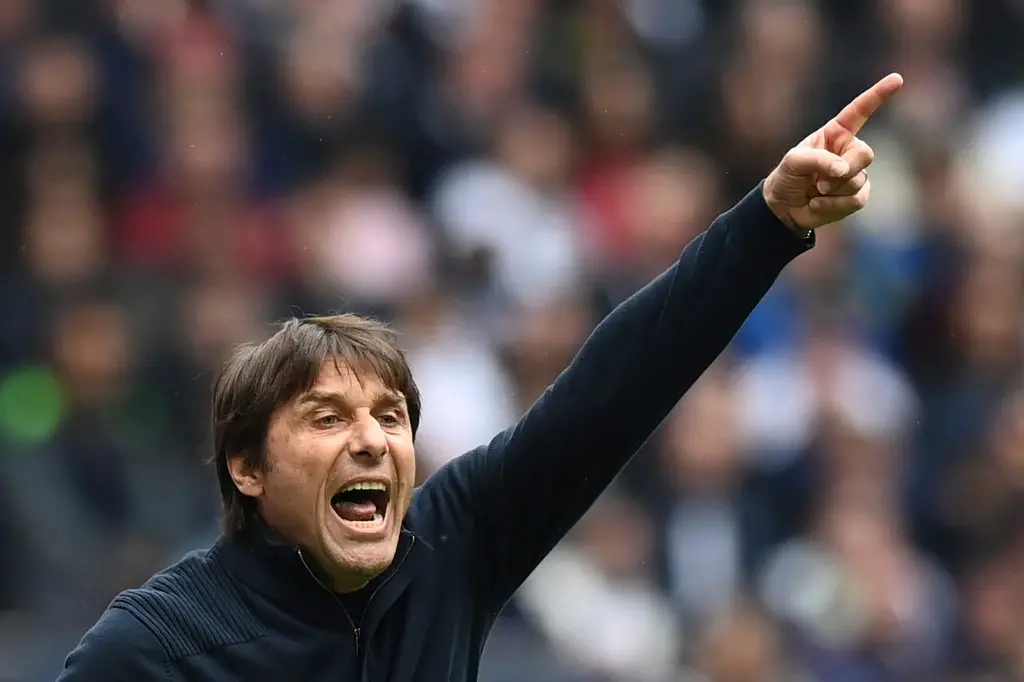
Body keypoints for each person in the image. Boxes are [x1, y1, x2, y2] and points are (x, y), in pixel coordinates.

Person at [56, 73, 904, 682]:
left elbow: (619, 384)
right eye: (326, 418)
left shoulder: (453, 545)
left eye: (392, 417)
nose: (372, 441)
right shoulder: (153, 647)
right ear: (247, 467)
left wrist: (769, 223)